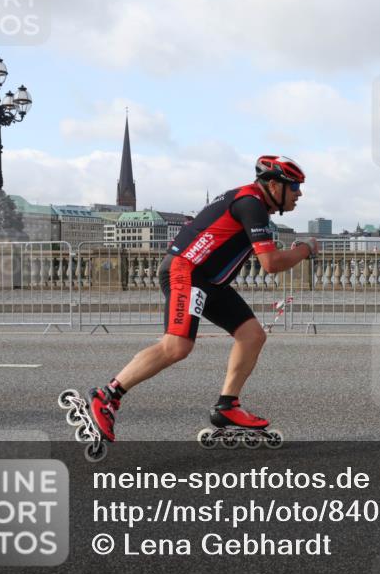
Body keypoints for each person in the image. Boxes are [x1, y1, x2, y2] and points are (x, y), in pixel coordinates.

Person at [84, 155, 318, 442]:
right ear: (273, 184)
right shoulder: (251, 203)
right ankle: (107, 396)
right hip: (186, 272)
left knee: (252, 335)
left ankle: (227, 406)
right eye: (294, 186)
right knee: (177, 346)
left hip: (208, 280)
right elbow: (270, 264)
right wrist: (306, 249)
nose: (299, 193)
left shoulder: (253, 203)